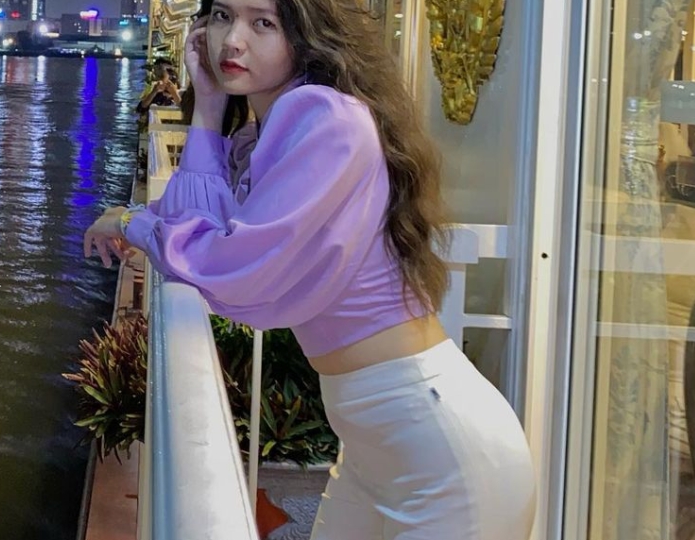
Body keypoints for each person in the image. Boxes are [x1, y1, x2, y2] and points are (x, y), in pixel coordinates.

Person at [84, 0, 537, 537]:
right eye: (223, 15)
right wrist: (206, 104)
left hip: (440, 454)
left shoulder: (325, 117)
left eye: (263, 23)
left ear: (306, 35)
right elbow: (203, 224)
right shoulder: (274, 129)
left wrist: (134, 222)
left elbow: (230, 267)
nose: (232, 40)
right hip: (375, 442)